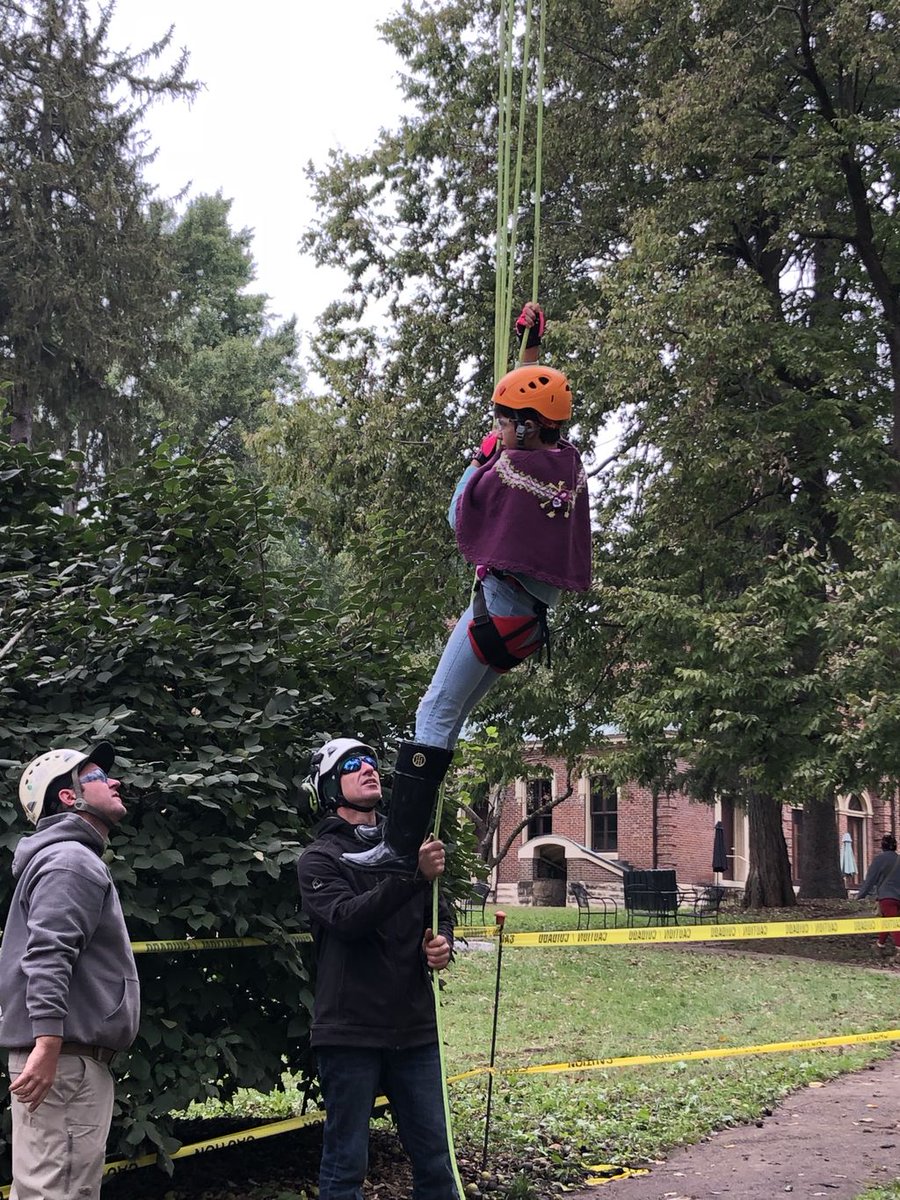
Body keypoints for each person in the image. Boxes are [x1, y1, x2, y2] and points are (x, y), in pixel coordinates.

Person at [344, 302, 592, 872]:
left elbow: (458, 513)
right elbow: (531, 398)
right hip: (522, 625)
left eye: (505, 422)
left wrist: (478, 462)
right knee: (449, 721)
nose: (498, 428)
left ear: (527, 427)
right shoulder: (565, 463)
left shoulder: (508, 473)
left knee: (433, 713)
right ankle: (409, 840)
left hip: (495, 617)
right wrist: (530, 349)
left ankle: (397, 846)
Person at [296, 738, 458, 1200]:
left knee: (435, 1157)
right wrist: (412, 875)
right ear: (329, 786)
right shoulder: (319, 858)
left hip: (415, 1027)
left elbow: (438, 908)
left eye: (371, 762)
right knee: (346, 1162)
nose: (369, 769)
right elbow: (347, 919)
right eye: (352, 765)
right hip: (349, 1030)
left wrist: (441, 940)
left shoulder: (407, 845)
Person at [0, 742, 141, 1200]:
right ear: (68, 796)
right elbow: (47, 955)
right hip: (62, 1060)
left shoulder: (67, 858)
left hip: (63, 1058)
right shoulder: (71, 861)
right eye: (99, 775)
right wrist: (47, 1042)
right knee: (55, 1193)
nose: (114, 781)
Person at [856, 833, 900, 958]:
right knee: (886, 921)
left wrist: (861, 895)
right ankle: (879, 945)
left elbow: (870, 879)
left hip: (887, 897)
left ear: (882, 846)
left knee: (893, 923)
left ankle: (899, 950)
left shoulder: (879, 860)